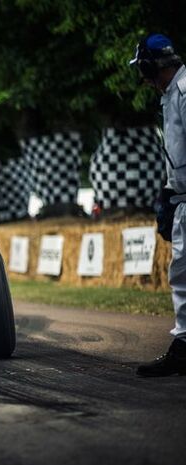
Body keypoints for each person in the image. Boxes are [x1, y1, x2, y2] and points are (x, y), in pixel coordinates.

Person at [131, 33, 186, 376]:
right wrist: (169, 194)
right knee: (181, 273)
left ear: (153, 65)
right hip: (181, 197)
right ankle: (184, 346)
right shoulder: (172, 94)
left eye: (143, 69)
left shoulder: (183, 91)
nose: (142, 78)